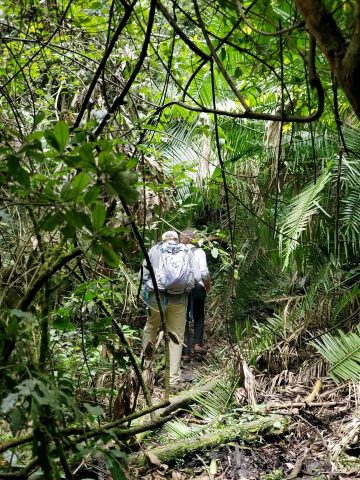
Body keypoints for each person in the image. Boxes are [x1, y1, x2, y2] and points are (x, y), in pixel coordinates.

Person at [141, 230, 195, 388]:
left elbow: (142, 275)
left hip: (156, 297)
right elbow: (196, 276)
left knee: (151, 329)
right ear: (177, 240)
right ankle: (173, 380)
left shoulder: (154, 250)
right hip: (179, 300)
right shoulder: (186, 251)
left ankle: (145, 374)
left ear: (162, 239)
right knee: (176, 337)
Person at [180, 228, 211, 360]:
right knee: (199, 315)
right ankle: (198, 344)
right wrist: (208, 285)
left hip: (182, 287)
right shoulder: (199, 252)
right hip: (198, 286)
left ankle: (185, 350)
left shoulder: (177, 252)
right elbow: (203, 272)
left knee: (183, 317)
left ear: (182, 238)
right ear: (195, 238)